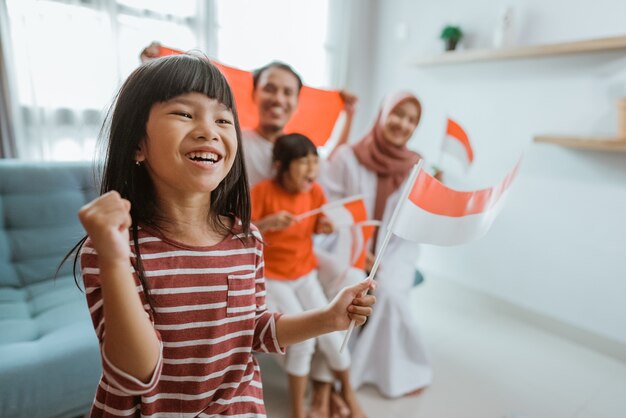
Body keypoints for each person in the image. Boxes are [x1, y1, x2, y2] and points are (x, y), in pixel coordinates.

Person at [71, 54, 376, 417]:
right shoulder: (113, 248)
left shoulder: (247, 239)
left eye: (222, 119)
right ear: (138, 143)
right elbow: (135, 376)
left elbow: (254, 329)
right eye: (184, 114)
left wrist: (327, 318)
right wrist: (114, 259)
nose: (208, 130)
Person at [319, 91, 434, 398]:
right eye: (398, 114)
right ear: (383, 113)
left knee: (391, 295)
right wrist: (361, 251)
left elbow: (411, 226)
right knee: (353, 286)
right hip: (346, 243)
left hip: (396, 249)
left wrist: (382, 258)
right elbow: (330, 208)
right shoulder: (346, 157)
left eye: (412, 120)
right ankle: (340, 368)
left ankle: (384, 370)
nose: (403, 124)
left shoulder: (416, 167)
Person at [250, 134, 365, 418]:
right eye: (303, 162)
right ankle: (298, 412)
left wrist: (323, 227)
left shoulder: (315, 193)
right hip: (273, 277)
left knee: (333, 335)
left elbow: (315, 226)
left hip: (305, 273)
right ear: (280, 165)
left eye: (315, 161)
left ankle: (348, 392)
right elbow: (241, 236)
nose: (312, 169)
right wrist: (266, 224)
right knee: (302, 342)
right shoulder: (262, 192)